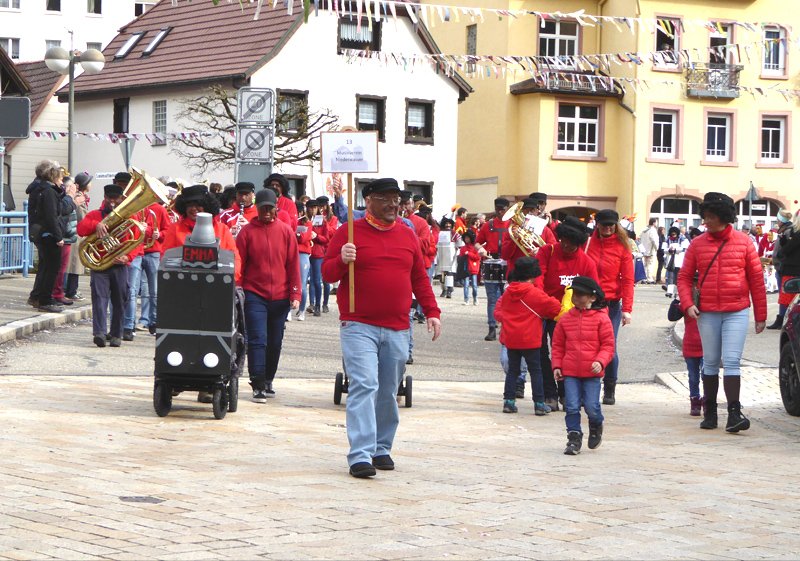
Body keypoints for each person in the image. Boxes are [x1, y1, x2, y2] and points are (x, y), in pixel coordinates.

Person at [322, 177, 442, 478]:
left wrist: (432, 311)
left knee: (388, 390)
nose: (393, 205)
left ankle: (381, 447)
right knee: (364, 384)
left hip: (398, 326)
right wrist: (341, 259)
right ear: (369, 200)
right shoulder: (348, 232)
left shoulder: (407, 234)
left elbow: (419, 278)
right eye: (386, 198)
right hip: (358, 324)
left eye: (396, 199)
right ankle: (360, 454)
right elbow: (326, 273)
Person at [677, 192, 767, 433]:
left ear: (723, 217)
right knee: (710, 362)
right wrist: (687, 303)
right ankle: (710, 412)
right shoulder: (697, 244)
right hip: (707, 312)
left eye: (710, 217)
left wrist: (761, 315)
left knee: (732, 361)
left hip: (736, 310)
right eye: (704, 216)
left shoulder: (744, 242)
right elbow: (684, 277)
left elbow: (756, 280)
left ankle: (734, 413)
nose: (705, 221)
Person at [236, 189, 301, 402]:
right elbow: (240, 264)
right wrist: (238, 289)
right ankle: (258, 383)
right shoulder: (246, 232)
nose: (266, 211)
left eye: (269, 208)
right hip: (255, 293)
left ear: (276, 209)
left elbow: (293, 265)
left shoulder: (285, 231)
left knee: (275, 341)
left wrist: (295, 293)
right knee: (257, 339)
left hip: (281, 296)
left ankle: (269, 378)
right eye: (262, 207)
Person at [537, 216, 599, 410]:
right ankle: (549, 394)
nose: (566, 247)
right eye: (563, 241)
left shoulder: (586, 262)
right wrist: (549, 306)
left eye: (571, 245)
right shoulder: (547, 251)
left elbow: (594, 291)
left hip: (569, 316)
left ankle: (566, 393)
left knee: (563, 354)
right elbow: (538, 280)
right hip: (544, 310)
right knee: (540, 353)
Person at [552, 276, 614, 455]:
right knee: (571, 405)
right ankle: (574, 437)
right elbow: (557, 345)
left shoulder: (602, 319)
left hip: (591, 372)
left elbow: (608, 345)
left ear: (592, 298)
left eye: (581, 295)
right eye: (575, 294)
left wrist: (600, 361)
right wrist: (557, 365)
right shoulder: (565, 319)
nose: (576, 298)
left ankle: (596, 424)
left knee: (591, 406)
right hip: (570, 371)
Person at [494, 256, 561, 415]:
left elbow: (498, 313)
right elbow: (555, 308)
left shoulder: (508, 292)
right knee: (536, 371)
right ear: (533, 275)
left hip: (511, 338)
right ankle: (539, 403)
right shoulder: (535, 293)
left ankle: (509, 402)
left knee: (513, 371)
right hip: (530, 339)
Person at [585, 209, 634, 406]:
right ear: (597, 224)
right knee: (589, 347)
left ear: (616, 225)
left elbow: (628, 280)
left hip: (611, 304)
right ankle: (590, 387)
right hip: (589, 303)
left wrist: (627, 309)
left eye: (610, 225)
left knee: (609, 347)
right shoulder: (588, 243)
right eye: (603, 224)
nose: (607, 228)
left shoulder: (623, 247)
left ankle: (610, 386)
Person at [77, 184, 131, 347]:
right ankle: (99, 333)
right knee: (99, 299)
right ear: (105, 198)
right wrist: (96, 225)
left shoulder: (129, 217)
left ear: (122, 199)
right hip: (100, 264)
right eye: (109, 198)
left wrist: (127, 256)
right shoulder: (95, 215)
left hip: (120, 265)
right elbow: (80, 229)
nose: (112, 201)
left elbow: (138, 242)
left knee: (120, 300)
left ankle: (116, 334)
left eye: (115, 198)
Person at [27, 160, 71, 313]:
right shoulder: (49, 192)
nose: (61, 181)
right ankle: (45, 299)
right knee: (52, 267)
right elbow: (52, 216)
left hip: (42, 233)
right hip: (49, 234)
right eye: (59, 178)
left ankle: (37, 295)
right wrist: (59, 237)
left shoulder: (40, 189)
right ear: (53, 177)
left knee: (45, 266)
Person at [476, 197, 510, 341]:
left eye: (502, 209)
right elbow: (477, 242)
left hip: (508, 263)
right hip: (492, 262)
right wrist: (481, 249)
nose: (500, 212)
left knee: (508, 299)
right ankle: (491, 328)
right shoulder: (488, 225)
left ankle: (506, 328)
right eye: (498, 209)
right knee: (492, 299)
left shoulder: (514, 225)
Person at [768, 210, 799, 329]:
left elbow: (785, 250)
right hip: (787, 267)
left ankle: (784, 320)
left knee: (786, 296)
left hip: (789, 269)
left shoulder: (792, 232)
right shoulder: (789, 231)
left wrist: (783, 247)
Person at [51, 175, 78, 306]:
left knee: (61, 268)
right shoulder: (63, 197)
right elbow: (65, 214)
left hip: (67, 236)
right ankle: (56, 293)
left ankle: (57, 292)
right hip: (64, 236)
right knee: (59, 268)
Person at [64, 172, 92, 301]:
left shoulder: (80, 196)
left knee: (72, 264)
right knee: (74, 264)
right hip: (76, 233)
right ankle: (71, 290)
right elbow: (82, 216)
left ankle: (69, 289)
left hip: (75, 232)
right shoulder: (79, 197)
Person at [307, 198, 329, 317]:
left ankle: (318, 306)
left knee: (316, 280)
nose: (313, 210)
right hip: (305, 252)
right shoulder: (304, 220)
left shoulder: (323, 222)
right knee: (308, 281)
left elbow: (326, 239)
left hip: (317, 253)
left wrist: (316, 236)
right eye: (310, 207)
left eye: (315, 207)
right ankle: (311, 303)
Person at [295, 199, 315, 321]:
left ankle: (302, 310)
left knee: (302, 284)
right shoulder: (292, 222)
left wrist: (296, 234)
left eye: (298, 211)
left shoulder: (307, 223)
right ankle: (288, 311)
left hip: (303, 254)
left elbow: (303, 238)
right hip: (292, 253)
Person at [662, 226, 689, 298]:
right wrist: (669, 250)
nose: (673, 236)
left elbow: (684, 249)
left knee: (678, 278)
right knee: (670, 277)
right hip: (670, 261)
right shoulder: (667, 240)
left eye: (674, 234)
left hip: (679, 261)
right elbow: (664, 249)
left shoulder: (683, 239)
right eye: (672, 234)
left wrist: (675, 250)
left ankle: (677, 292)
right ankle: (670, 292)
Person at [458, 230, 481, 305]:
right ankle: (466, 299)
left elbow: (477, 257)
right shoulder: (463, 248)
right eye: (465, 238)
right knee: (466, 285)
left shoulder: (475, 248)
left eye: (468, 238)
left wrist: (469, 254)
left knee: (474, 285)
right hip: (466, 269)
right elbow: (461, 258)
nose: (466, 239)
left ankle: (475, 298)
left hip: (473, 268)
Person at [640, 218, 659, 283]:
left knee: (644, 264)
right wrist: (657, 248)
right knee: (650, 264)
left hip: (643, 249)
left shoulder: (644, 229)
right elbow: (654, 240)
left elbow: (640, 238)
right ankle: (649, 278)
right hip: (651, 249)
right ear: (653, 223)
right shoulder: (653, 230)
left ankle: (643, 278)